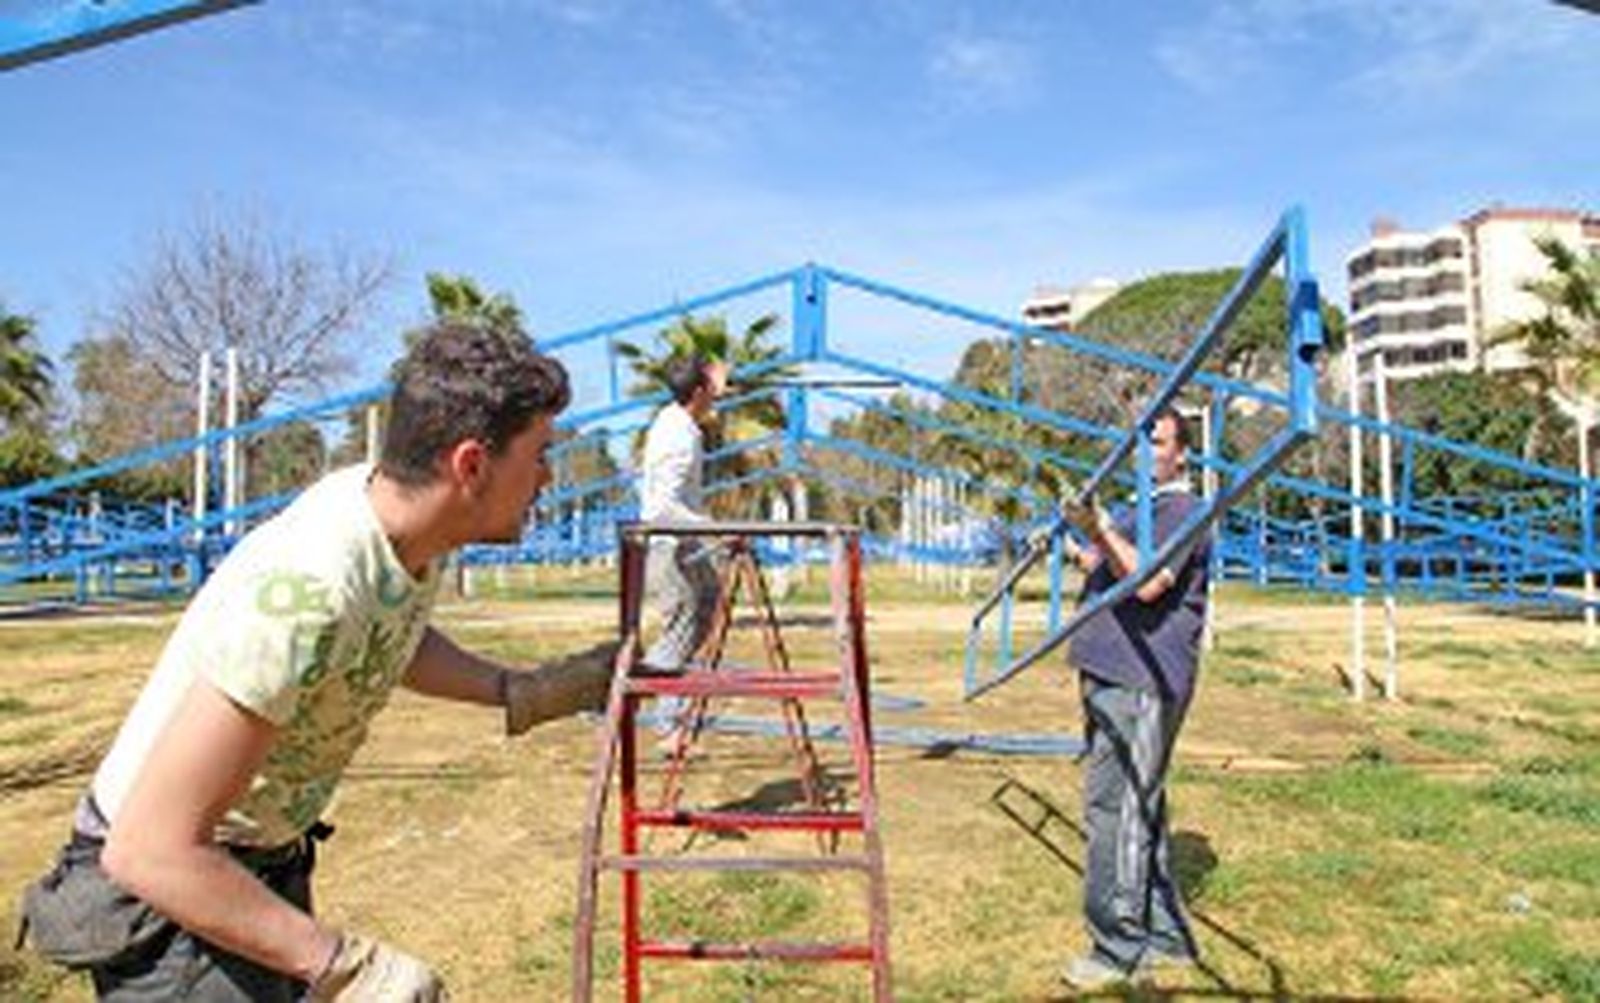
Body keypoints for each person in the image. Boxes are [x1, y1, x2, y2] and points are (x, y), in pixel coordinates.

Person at [18, 321, 614, 1001]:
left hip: (255, 857)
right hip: (171, 897)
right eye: (540, 454)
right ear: (471, 465)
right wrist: (347, 965)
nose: (548, 477)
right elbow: (149, 849)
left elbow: (391, 631)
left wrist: (521, 690)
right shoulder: (309, 589)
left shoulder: (406, 529)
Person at [1053, 406, 1210, 990]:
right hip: (1111, 673)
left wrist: (1099, 530)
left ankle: (1117, 950)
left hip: (1143, 681)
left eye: (1159, 443)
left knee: (1116, 810)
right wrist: (1086, 546)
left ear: (1182, 453)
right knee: (1139, 807)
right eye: (1140, 444)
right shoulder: (1139, 511)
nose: (1146, 454)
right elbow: (1114, 565)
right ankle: (1167, 937)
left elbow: (1147, 584)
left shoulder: (1184, 510)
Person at [637, 354, 728, 741]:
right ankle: (654, 706)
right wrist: (707, 527)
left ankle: (662, 702)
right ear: (698, 391)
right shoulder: (679, 435)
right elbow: (662, 506)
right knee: (681, 626)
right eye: (712, 379)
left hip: (681, 543)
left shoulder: (677, 420)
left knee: (704, 611)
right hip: (671, 545)